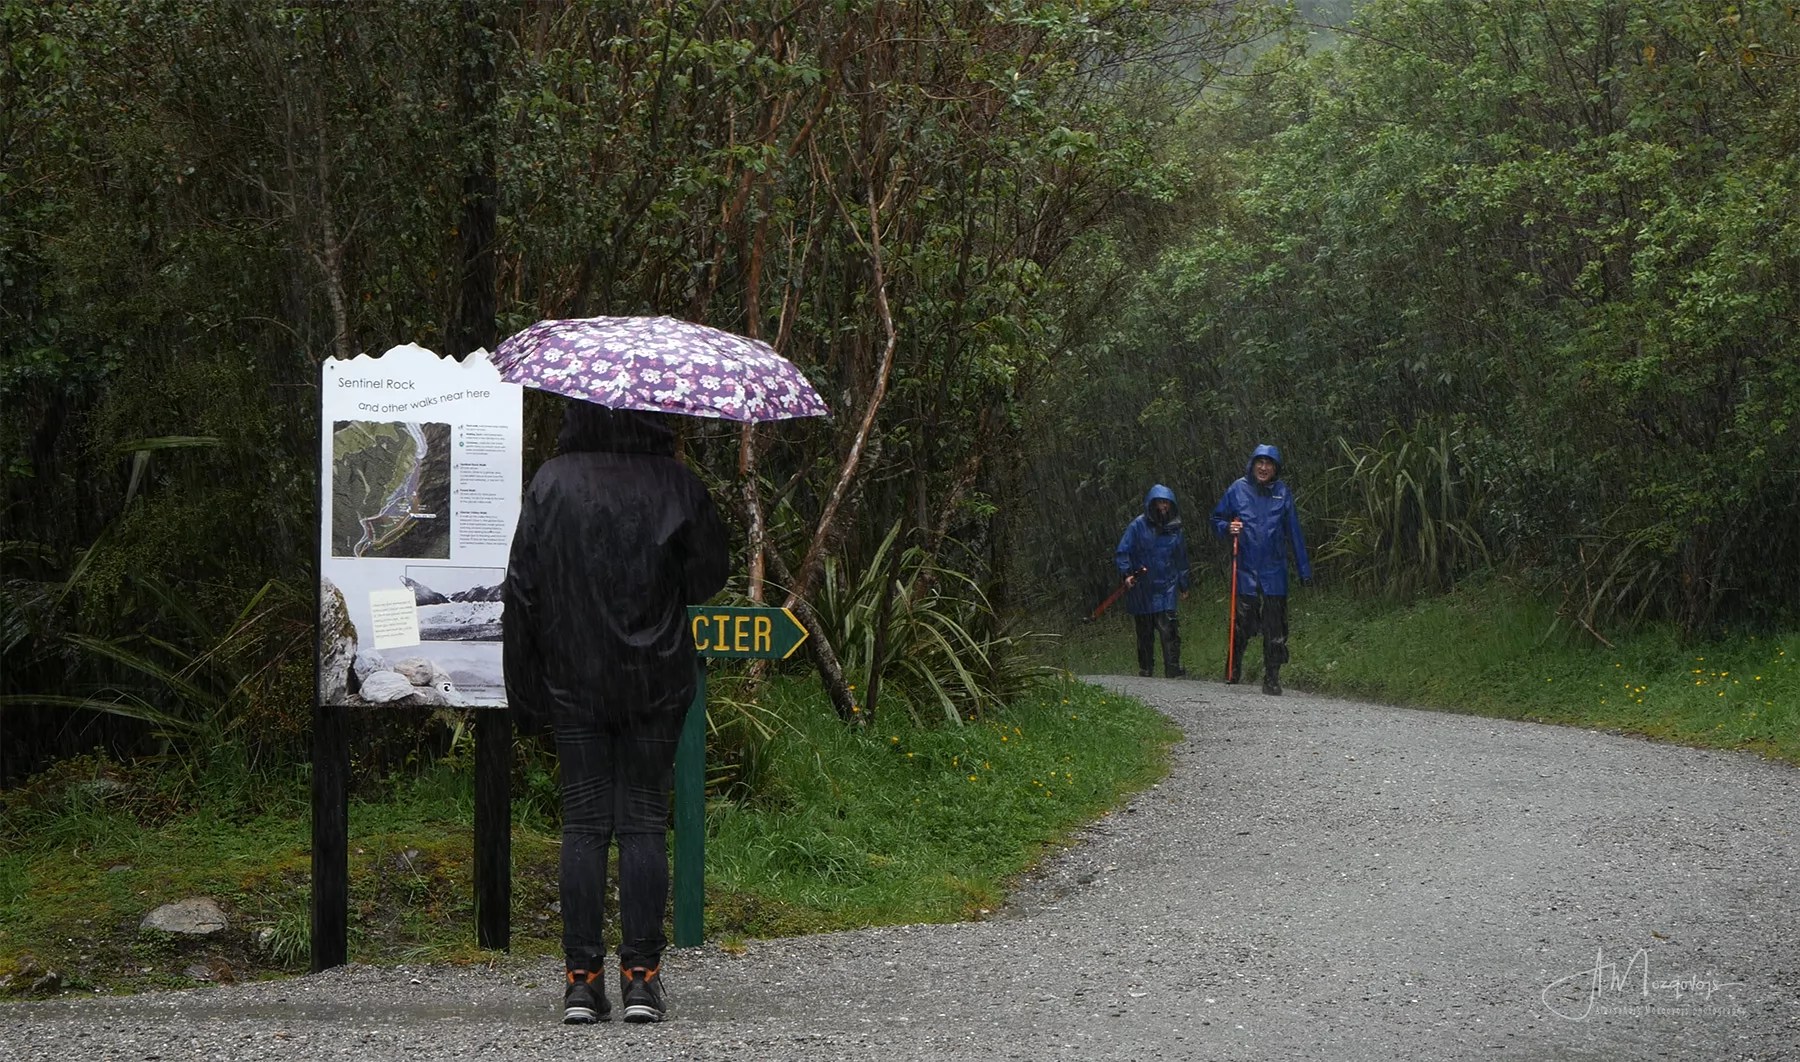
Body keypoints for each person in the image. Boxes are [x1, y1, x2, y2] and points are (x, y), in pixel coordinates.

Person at [503, 401, 730, 1025]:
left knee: (582, 824)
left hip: (574, 680)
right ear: (654, 412)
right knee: (642, 823)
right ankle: (641, 979)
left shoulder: (551, 482)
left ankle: (581, 982)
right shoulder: (676, 483)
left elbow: (521, 588)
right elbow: (711, 574)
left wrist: (523, 692)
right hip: (655, 680)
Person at [1211, 444, 1312, 695]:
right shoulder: (1238, 489)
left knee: (1275, 627)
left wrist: (1304, 570)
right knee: (1244, 622)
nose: (1264, 468)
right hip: (1245, 569)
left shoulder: (1283, 494)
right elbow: (1216, 519)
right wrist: (1227, 528)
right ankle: (1233, 667)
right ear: (1252, 464)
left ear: (1275, 468)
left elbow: (1294, 533)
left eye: (1269, 464)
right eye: (1260, 462)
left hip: (1274, 571)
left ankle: (1272, 677)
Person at [1114, 484, 1191, 678]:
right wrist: (1126, 574)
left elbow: (1181, 559)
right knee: (1145, 631)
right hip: (1143, 588)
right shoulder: (1137, 526)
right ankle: (1146, 668)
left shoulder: (1175, 530)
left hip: (1167, 585)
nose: (1162, 507)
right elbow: (1123, 551)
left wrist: (1184, 584)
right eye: (1158, 502)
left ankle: (1172, 667)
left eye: (1165, 502)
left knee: (1169, 629)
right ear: (1151, 504)